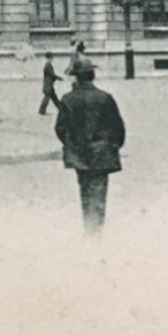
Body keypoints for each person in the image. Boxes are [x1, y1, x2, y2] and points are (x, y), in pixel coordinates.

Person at [54, 60, 126, 234]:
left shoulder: (67, 99)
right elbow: (117, 127)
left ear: (77, 78)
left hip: (79, 154)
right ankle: (95, 232)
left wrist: (73, 144)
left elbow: (60, 128)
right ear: (92, 76)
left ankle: (89, 228)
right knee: (98, 194)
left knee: (85, 191)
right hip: (102, 154)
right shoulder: (105, 98)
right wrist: (113, 146)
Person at [38, 52, 62, 116]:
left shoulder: (47, 64)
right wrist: (59, 78)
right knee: (48, 98)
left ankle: (61, 109)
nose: (52, 59)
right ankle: (41, 110)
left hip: (48, 84)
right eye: (51, 57)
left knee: (53, 97)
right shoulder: (48, 65)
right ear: (49, 58)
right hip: (48, 84)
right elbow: (52, 74)